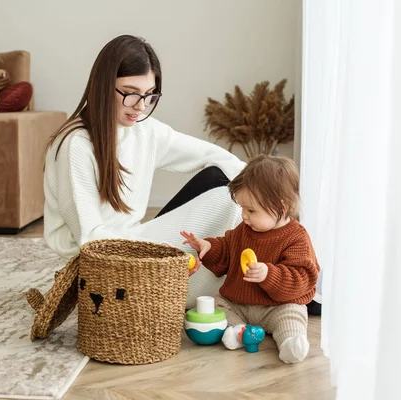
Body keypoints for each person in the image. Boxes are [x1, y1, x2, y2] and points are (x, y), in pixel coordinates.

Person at [43, 34, 246, 308]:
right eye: (129, 93)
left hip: (136, 240)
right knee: (227, 200)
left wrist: (269, 193)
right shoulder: (75, 145)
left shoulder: (144, 130)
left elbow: (212, 156)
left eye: (149, 95)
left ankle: (275, 276)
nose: (140, 106)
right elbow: (91, 240)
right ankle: (251, 291)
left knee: (225, 178)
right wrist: (161, 261)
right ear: (103, 87)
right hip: (103, 262)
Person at [181, 155, 320, 363]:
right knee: (219, 305)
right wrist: (208, 247)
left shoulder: (296, 237)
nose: (244, 216)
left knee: (292, 314)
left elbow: (301, 279)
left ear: (281, 207)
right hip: (239, 304)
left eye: (251, 210)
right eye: (243, 208)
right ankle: (239, 332)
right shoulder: (244, 230)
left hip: (277, 306)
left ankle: (290, 342)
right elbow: (227, 250)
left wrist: (268, 274)